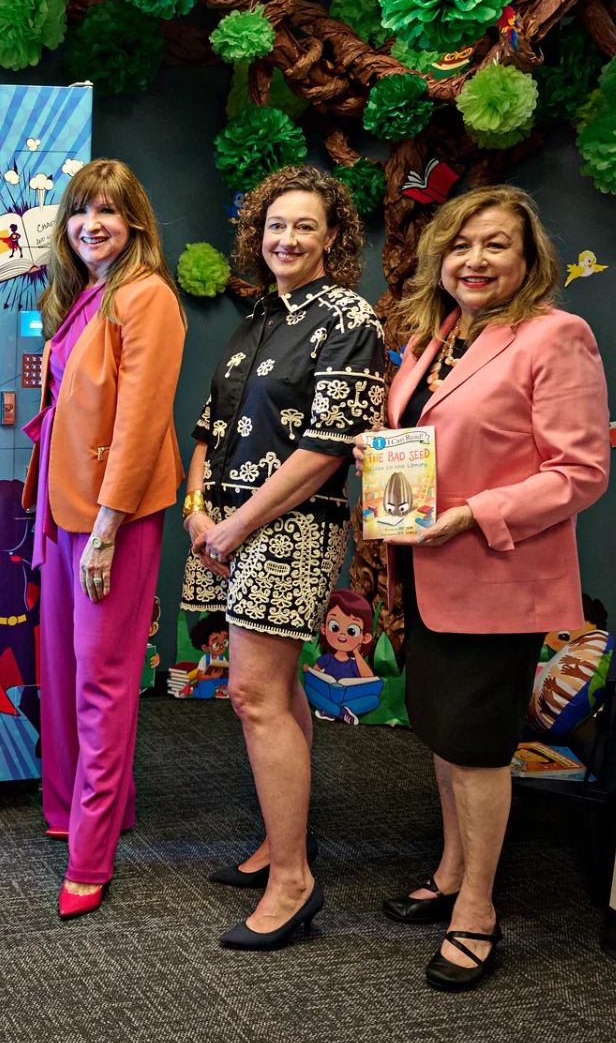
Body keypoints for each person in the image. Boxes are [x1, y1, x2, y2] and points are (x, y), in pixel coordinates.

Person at [369, 185, 608, 991]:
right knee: (443, 734)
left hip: (495, 578)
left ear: (528, 259)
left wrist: (474, 512)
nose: (474, 260)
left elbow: (580, 472)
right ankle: (446, 871)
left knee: (475, 750)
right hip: (424, 573)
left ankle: (477, 911)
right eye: (462, 243)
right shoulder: (437, 337)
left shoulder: (555, 335)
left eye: (496, 245)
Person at [180, 164, 384, 949]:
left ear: (333, 236)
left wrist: (235, 528)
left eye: (304, 226)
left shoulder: (348, 317)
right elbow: (208, 425)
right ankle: (279, 843)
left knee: (252, 698)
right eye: (274, 226)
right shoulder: (259, 315)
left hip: (291, 526)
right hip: (225, 522)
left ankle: (294, 882)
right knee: (275, 690)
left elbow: (327, 450)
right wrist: (200, 511)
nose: (286, 239)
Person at [19, 157, 187, 919]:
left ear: (136, 224)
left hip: (108, 523)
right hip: (64, 515)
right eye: (82, 210)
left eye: (109, 212)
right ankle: (79, 811)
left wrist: (110, 530)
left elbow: (142, 423)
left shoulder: (146, 296)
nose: (93, 223)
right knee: (61, 671)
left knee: (102, 682)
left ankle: (92, 858)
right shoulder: (90, 292)